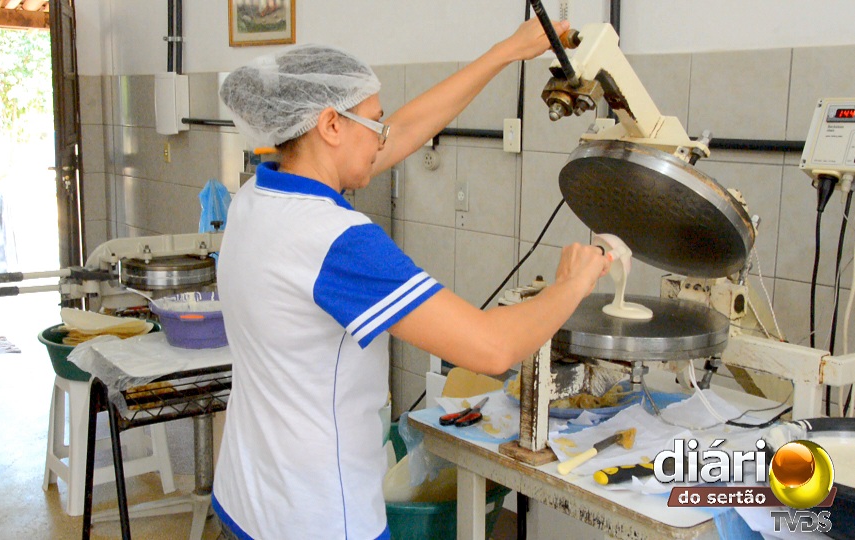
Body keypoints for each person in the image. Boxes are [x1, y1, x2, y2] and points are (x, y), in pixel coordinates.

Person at [213, 16, 610, 540]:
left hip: (246, 497)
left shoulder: (255, 198)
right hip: (317, 517)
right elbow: (491, 349)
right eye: (373, 123)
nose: (383, 137)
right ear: (330, 125)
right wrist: (573, 284)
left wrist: (505, 52)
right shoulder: (338, 241)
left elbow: (402, 132)